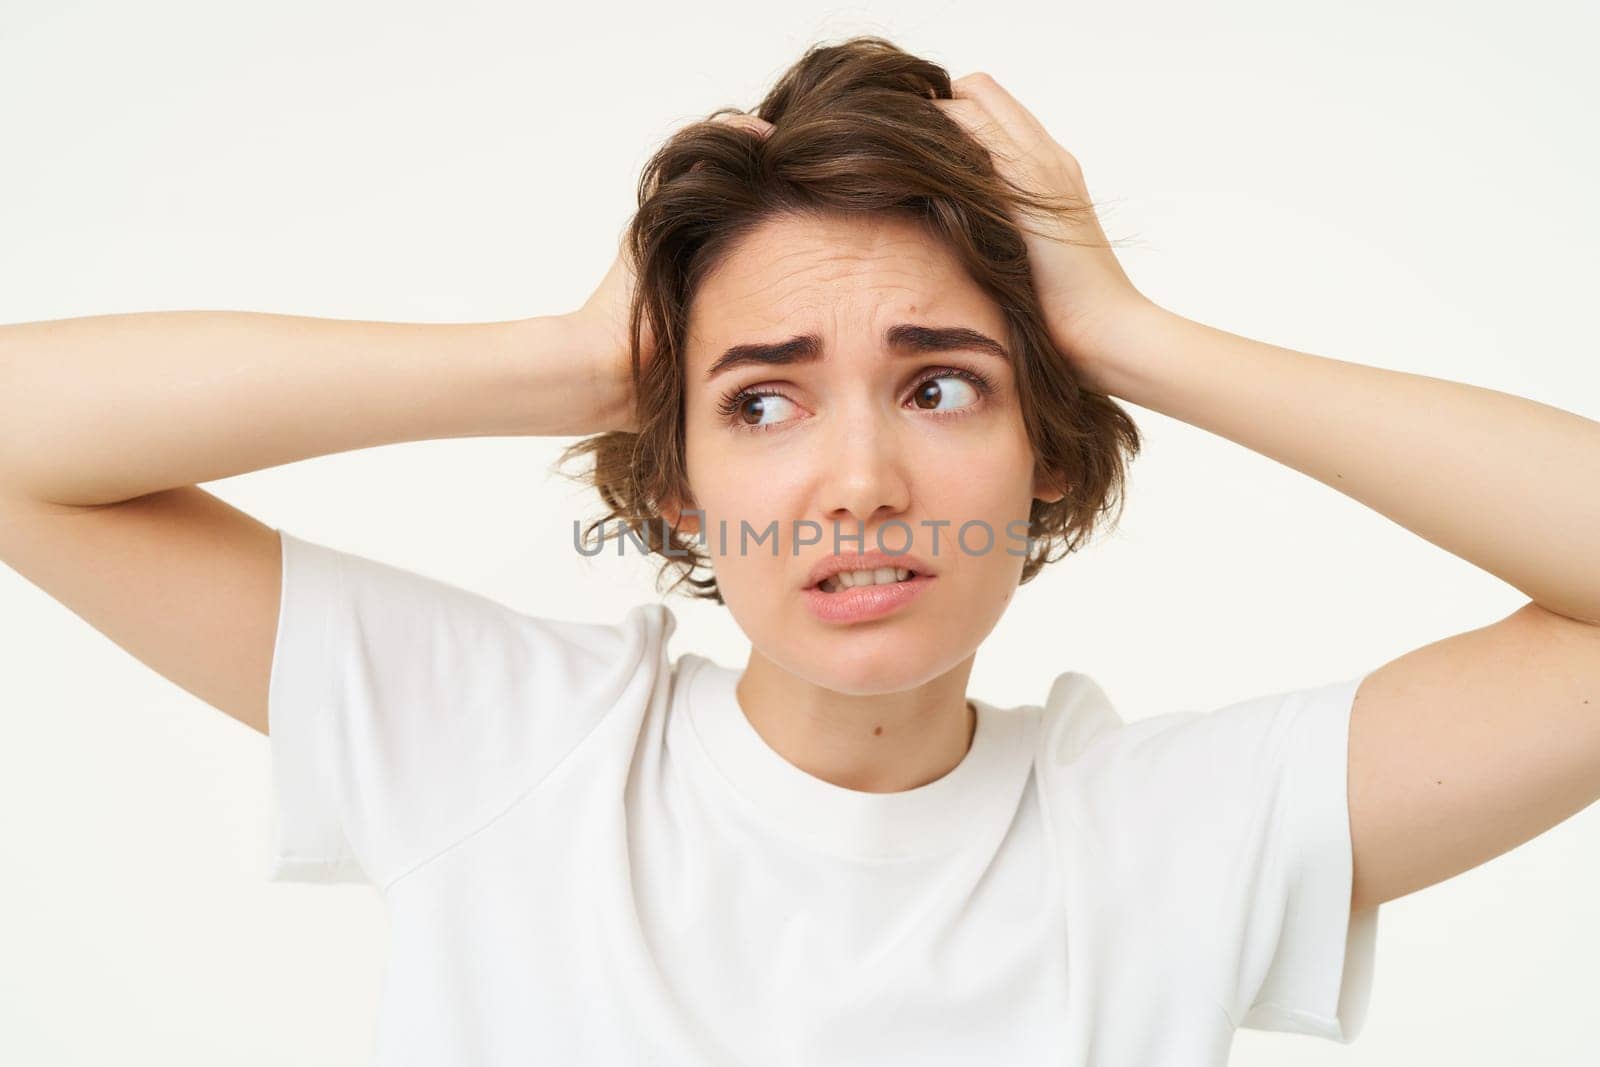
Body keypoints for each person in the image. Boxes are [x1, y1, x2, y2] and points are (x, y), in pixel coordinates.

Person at [3, 35, 1598, 1067]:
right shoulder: (509, 747)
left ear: (1043, 454)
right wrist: (568, 358)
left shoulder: (1173, 834)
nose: (859, 480)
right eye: (763, 403)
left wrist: (1123, 330)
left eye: (939, 385)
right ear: (676, 482)